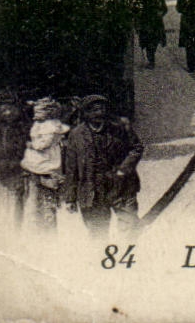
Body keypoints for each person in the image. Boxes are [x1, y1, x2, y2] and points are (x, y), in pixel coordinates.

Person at [61, 95, 143, 235]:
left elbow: (136, 148)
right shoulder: (76, 135)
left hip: (121, 186)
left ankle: (128, 253)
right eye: (94, 112)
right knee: (97, 233)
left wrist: (123, 169)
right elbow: (71, 169)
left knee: (130, 228)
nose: (99, 116)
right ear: (86, 114)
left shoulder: (120, 127)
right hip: (92, 190)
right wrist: (70, 198)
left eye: (102, 111)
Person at [20, 97, 70, 231]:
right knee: (34, 202)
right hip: (35, 163)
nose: (36, 114)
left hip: (46, 162)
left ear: (48, 112)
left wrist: (32, 145)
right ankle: (36, 229)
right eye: (35, 111)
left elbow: (44, 143)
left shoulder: (52, 126)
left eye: (40, 111)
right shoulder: (38, 123)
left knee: (47, 203)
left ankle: (48, 230)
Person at [0, 92, 29, 230]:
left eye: (11, 109)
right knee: (0, 205)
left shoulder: (23, 128)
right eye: (4, 110)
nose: (8, 113)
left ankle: (17, 230)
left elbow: (26, 150)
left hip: (18, 171)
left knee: (17, 203)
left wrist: (18, 163)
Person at [134, 0, 168, 68]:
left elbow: (165, 9)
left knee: (155, 41)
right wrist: (138, 23)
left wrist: (161, 13)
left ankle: (151, 57)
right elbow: (136, 10)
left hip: (157, 24)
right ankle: (151, 61)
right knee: (149, 43)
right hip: (147, 24)